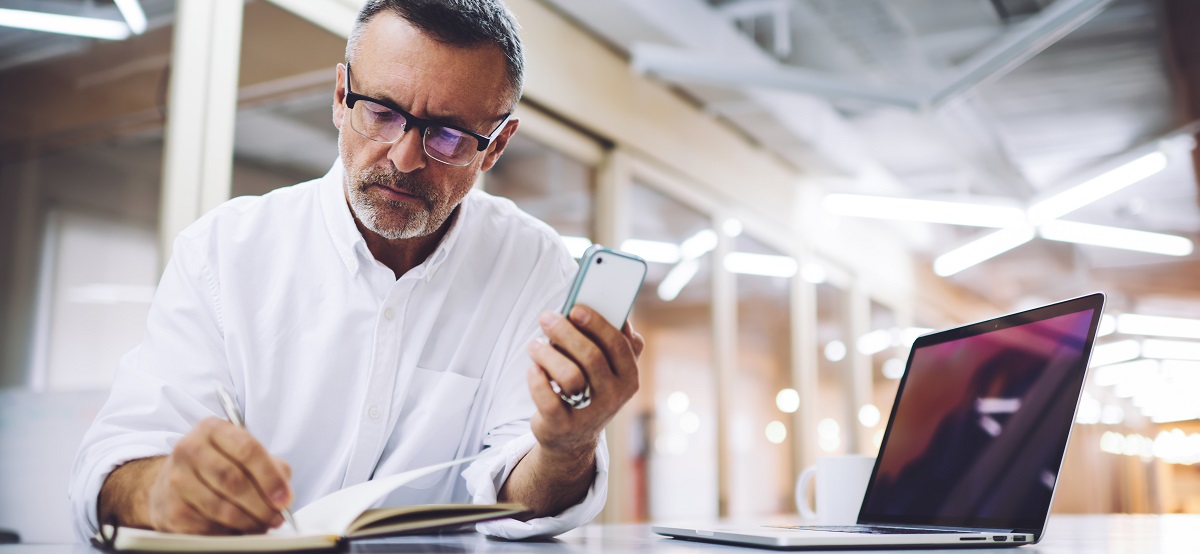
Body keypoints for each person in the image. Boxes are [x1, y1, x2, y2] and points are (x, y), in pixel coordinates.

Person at [69, 0, 643, 541]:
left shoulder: (533, 266)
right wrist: (159, 490)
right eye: (383, 112)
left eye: (447, 135)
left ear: (495, 147)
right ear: (342, 96)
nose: (404, 158)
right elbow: (113, 463)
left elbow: (518, 492)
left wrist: (568, 445)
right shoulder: (222, 252)